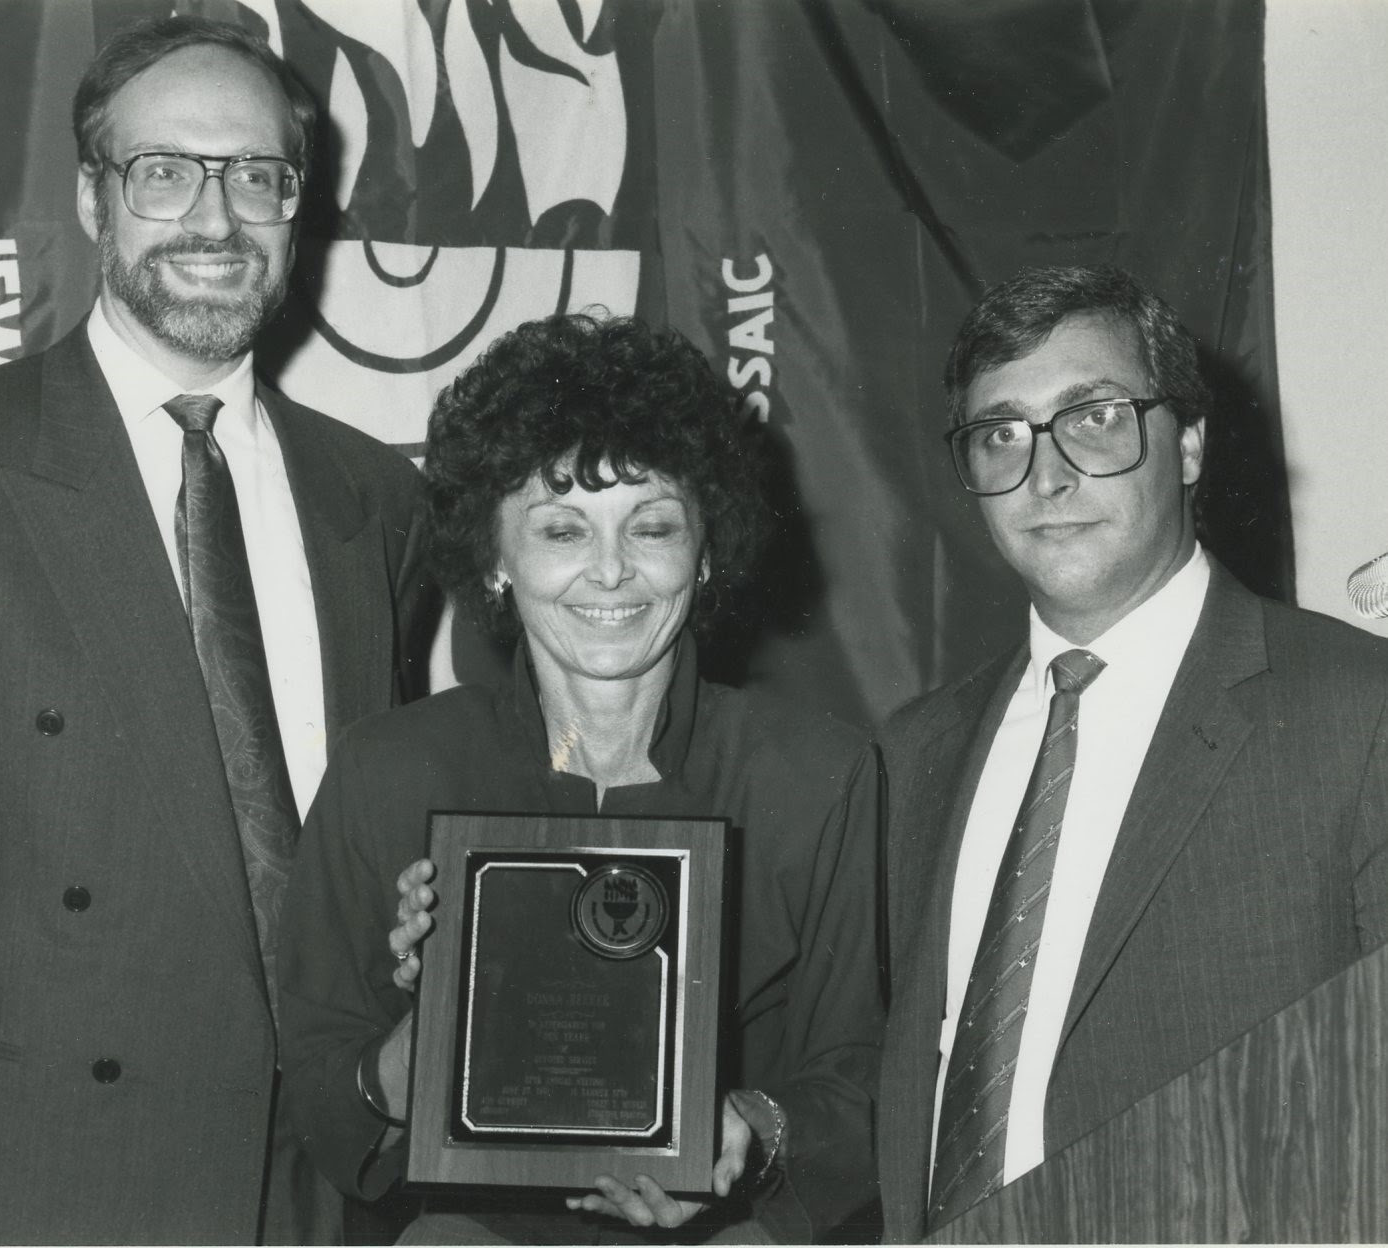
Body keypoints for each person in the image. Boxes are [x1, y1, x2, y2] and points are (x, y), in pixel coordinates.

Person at [0, 15, 433, 1245]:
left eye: (256, 177)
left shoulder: (371, 499)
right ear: (93, 197)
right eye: (164, 172)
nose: (216, 220)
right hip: (35, 1184)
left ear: (299, 205)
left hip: (312, 1197)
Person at [278, 313, 882, 1244]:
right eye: (561, 529)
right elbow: (323, 1094)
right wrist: (421, 1046)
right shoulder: (389, 770)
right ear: (493, 557)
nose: (610, 571)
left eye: (652, 526)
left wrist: (750, 1133)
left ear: (706, 548)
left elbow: (865, 1075)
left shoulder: (817, 777)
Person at [876, 264, 1388, 1240]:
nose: (1047, 473)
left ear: (1189, 444)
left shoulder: (1360, 713)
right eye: (1000, 435)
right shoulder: (919, 751)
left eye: (1095, 416)